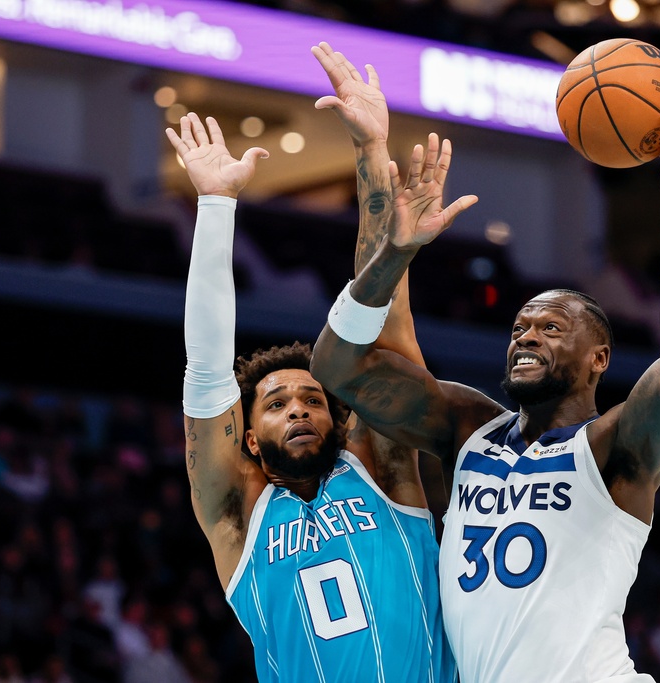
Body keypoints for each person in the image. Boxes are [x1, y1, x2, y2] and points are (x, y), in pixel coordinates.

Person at [310, 85, 660, 682]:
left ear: (599, 357)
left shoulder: (614, 448)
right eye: (520, 326)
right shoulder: (468, 428)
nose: (526, 336)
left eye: (551, 327)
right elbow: (337, 367)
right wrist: (395, 254)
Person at [166, 42, 466, 682]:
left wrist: (371, 153)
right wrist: (217, 207)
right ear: (248, 437)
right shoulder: (237, 514)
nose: (300, 407)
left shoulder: (382, 472)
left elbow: (381, 337)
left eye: (312, 399)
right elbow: (208, 372)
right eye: (276, 404)